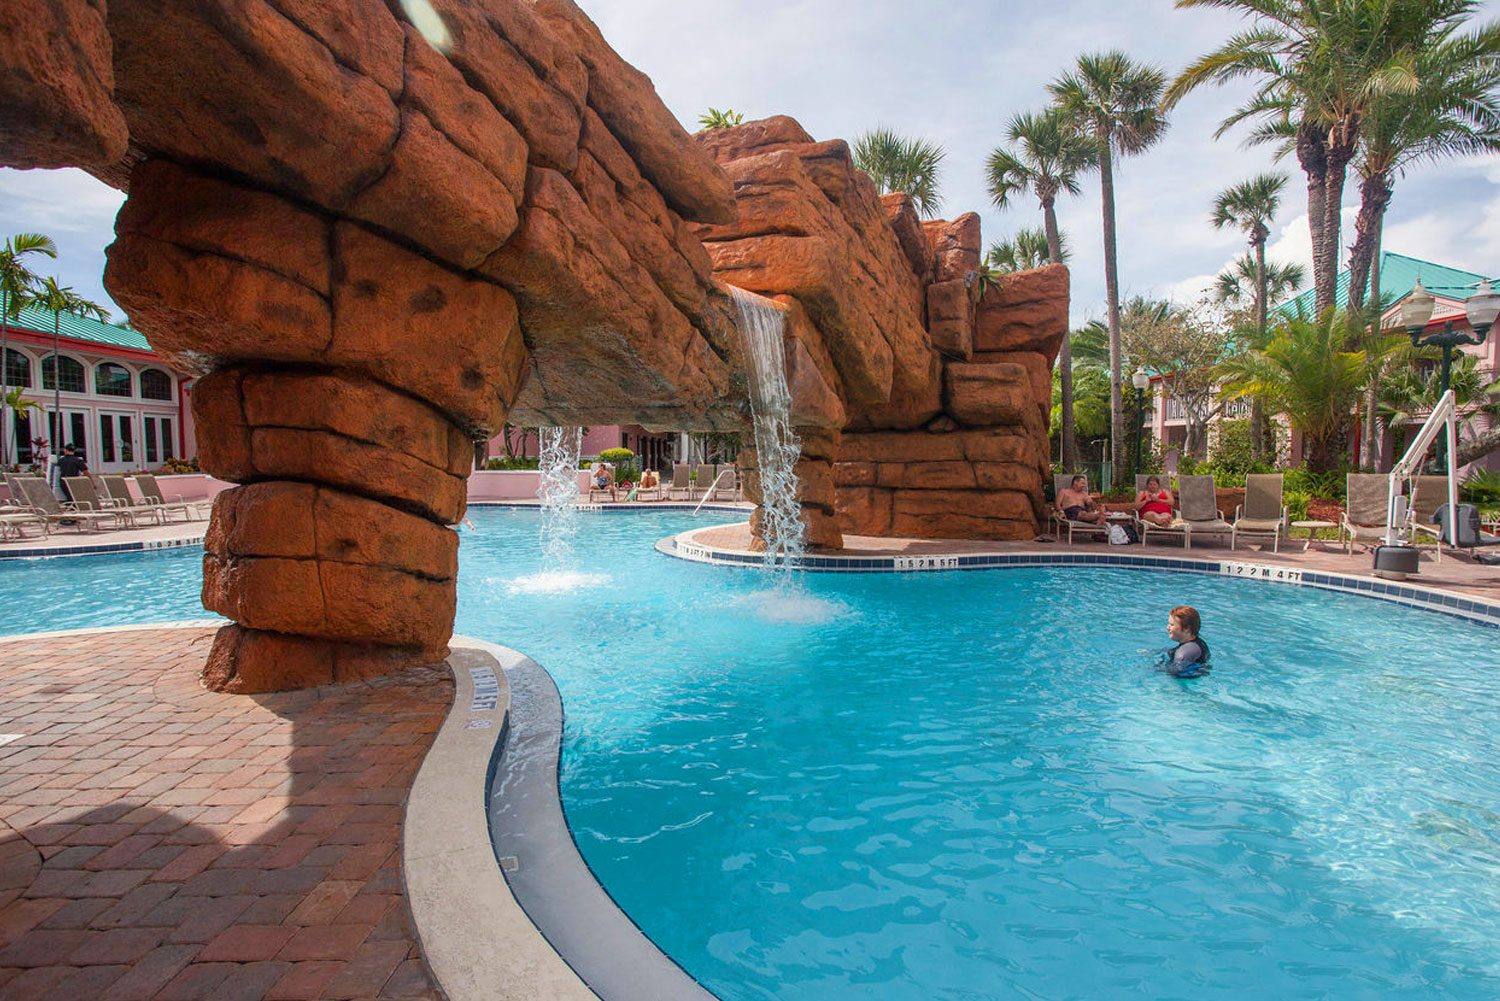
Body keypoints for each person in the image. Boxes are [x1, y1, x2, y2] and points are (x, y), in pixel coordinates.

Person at [1157, 605, 1211, 678]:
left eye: (1172, 624)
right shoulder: (1200, 643)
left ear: (1187, 629)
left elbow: (1175, 673)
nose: (1167, 627)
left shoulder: (1183, 654)